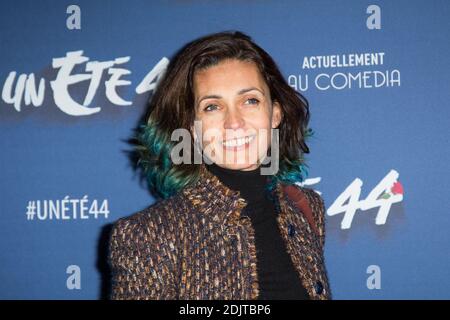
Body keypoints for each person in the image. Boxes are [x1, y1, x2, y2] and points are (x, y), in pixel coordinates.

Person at [108, 30, 331, 300]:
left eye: (250, 101)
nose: (234, 123)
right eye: (212, 107)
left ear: (274, 113)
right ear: (191, 127)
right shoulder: (148, 235)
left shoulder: (306, 208)